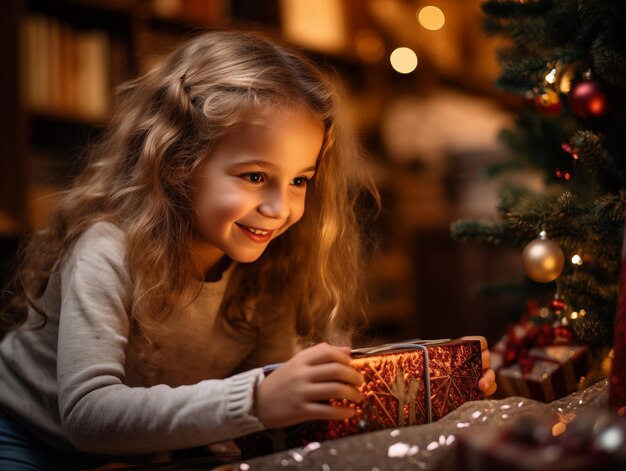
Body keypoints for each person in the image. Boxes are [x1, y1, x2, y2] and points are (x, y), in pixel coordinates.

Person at [0, 29, 496, 470]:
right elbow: (89, 416)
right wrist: (259, 397)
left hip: (148, 452)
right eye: (255, 176)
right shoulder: (108, 251)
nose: (281, 208)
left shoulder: (270, 264)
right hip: (31, 439)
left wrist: (426, 395)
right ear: (177, 162)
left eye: (301, 180)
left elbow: (269, 425)